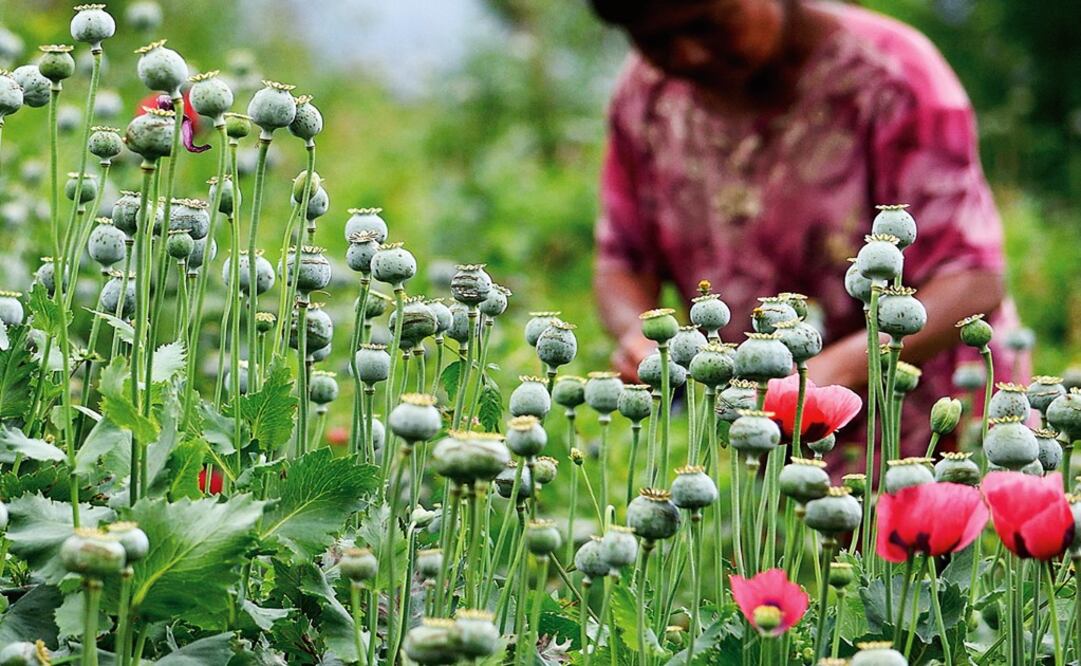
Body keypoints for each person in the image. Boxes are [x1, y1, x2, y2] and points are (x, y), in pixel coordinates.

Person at [590, 0, 1023, 456]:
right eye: (653, 40)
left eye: (709, 25)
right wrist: (643, 337)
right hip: (764, 438)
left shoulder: (894, 79)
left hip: (934, 431)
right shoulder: (648, 97)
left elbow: (973, 279)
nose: (688, 56)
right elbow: (621, 262)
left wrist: (819, 379)